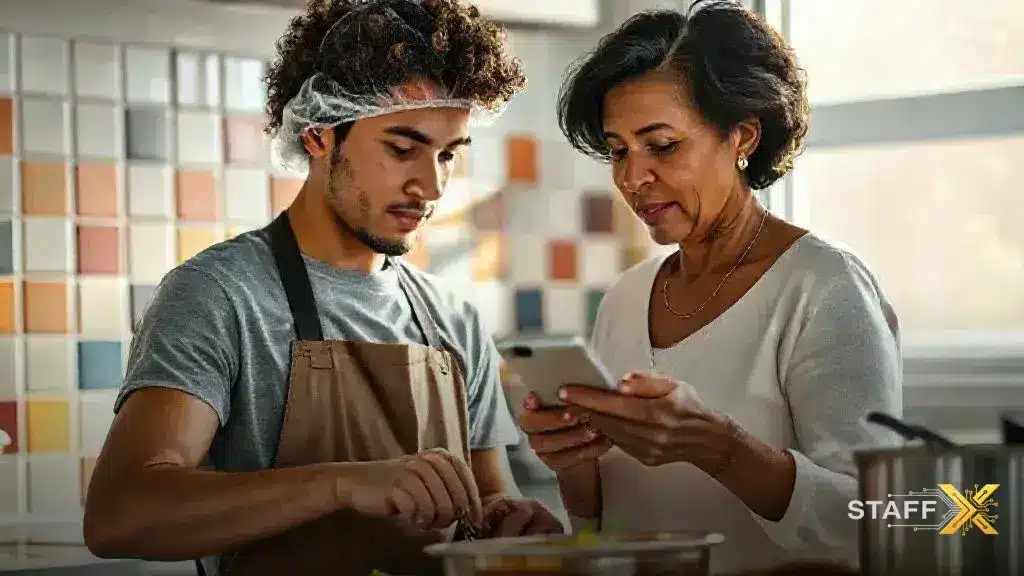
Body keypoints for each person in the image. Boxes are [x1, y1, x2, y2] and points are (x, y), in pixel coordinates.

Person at [82, 1, 562, 575]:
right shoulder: (218, 295)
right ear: (317, 136)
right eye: (402, 149)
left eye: (448, 155)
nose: (431, 186)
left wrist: (510, 522)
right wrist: (343, 483)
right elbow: (120, 515)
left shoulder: (453, 319)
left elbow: (486, 509)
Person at [518, 1, 903, 574]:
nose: (633, 177)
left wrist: (718, 446)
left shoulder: (822, 287)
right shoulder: (626, 299)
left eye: (663, 145)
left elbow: (877, 523)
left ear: (743, 136)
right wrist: (574, 468)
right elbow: (608, 528)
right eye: (619, 150)